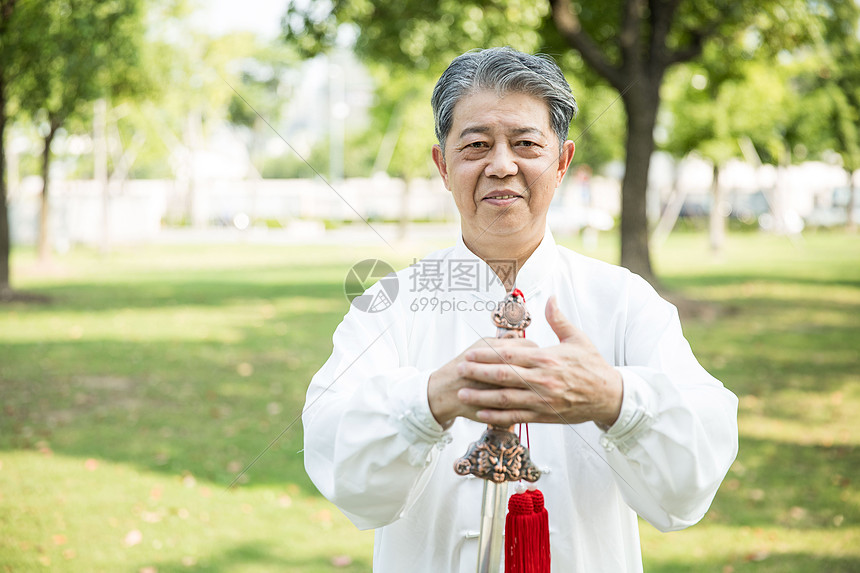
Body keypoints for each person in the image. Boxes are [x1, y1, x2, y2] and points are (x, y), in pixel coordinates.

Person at [303, 47, 738, 572]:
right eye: (477, 145)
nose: (502, 165)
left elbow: (691, 481)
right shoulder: (391, 304)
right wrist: (429, 401)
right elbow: (337, 460)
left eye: (526, 143)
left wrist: (615, 400)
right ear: (443, 165)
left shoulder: (622, 300)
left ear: (562, 161)